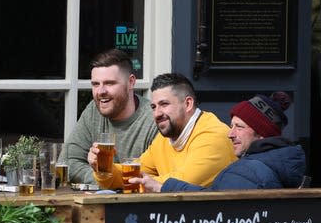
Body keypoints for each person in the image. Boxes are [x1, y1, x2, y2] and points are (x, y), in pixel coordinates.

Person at [91, 72, 237, 190]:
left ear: (187, 104)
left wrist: (137, 180)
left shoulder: (213, 136)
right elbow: (134, 171)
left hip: (215, 222)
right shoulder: (166, 138)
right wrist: (104, 168)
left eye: (164, 104)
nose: (157, 114)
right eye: (154, 107)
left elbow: (183, 183)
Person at [144, 92, 306, 192]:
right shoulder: (273, 162)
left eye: (239, 127)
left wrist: (162, 187)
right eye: (231, 126)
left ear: (262, 134)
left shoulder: (248, 171)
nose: (230, 134)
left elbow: (214, 208)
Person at [64, 48, 157, 184]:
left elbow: (155, 176)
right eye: (96, 84)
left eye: (109, 83)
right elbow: (68, 161)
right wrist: (100, 179)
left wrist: (106, 179)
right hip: (97, 203)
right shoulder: (93, 110)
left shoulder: (154, 118)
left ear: (131, 82)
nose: (101, 91)